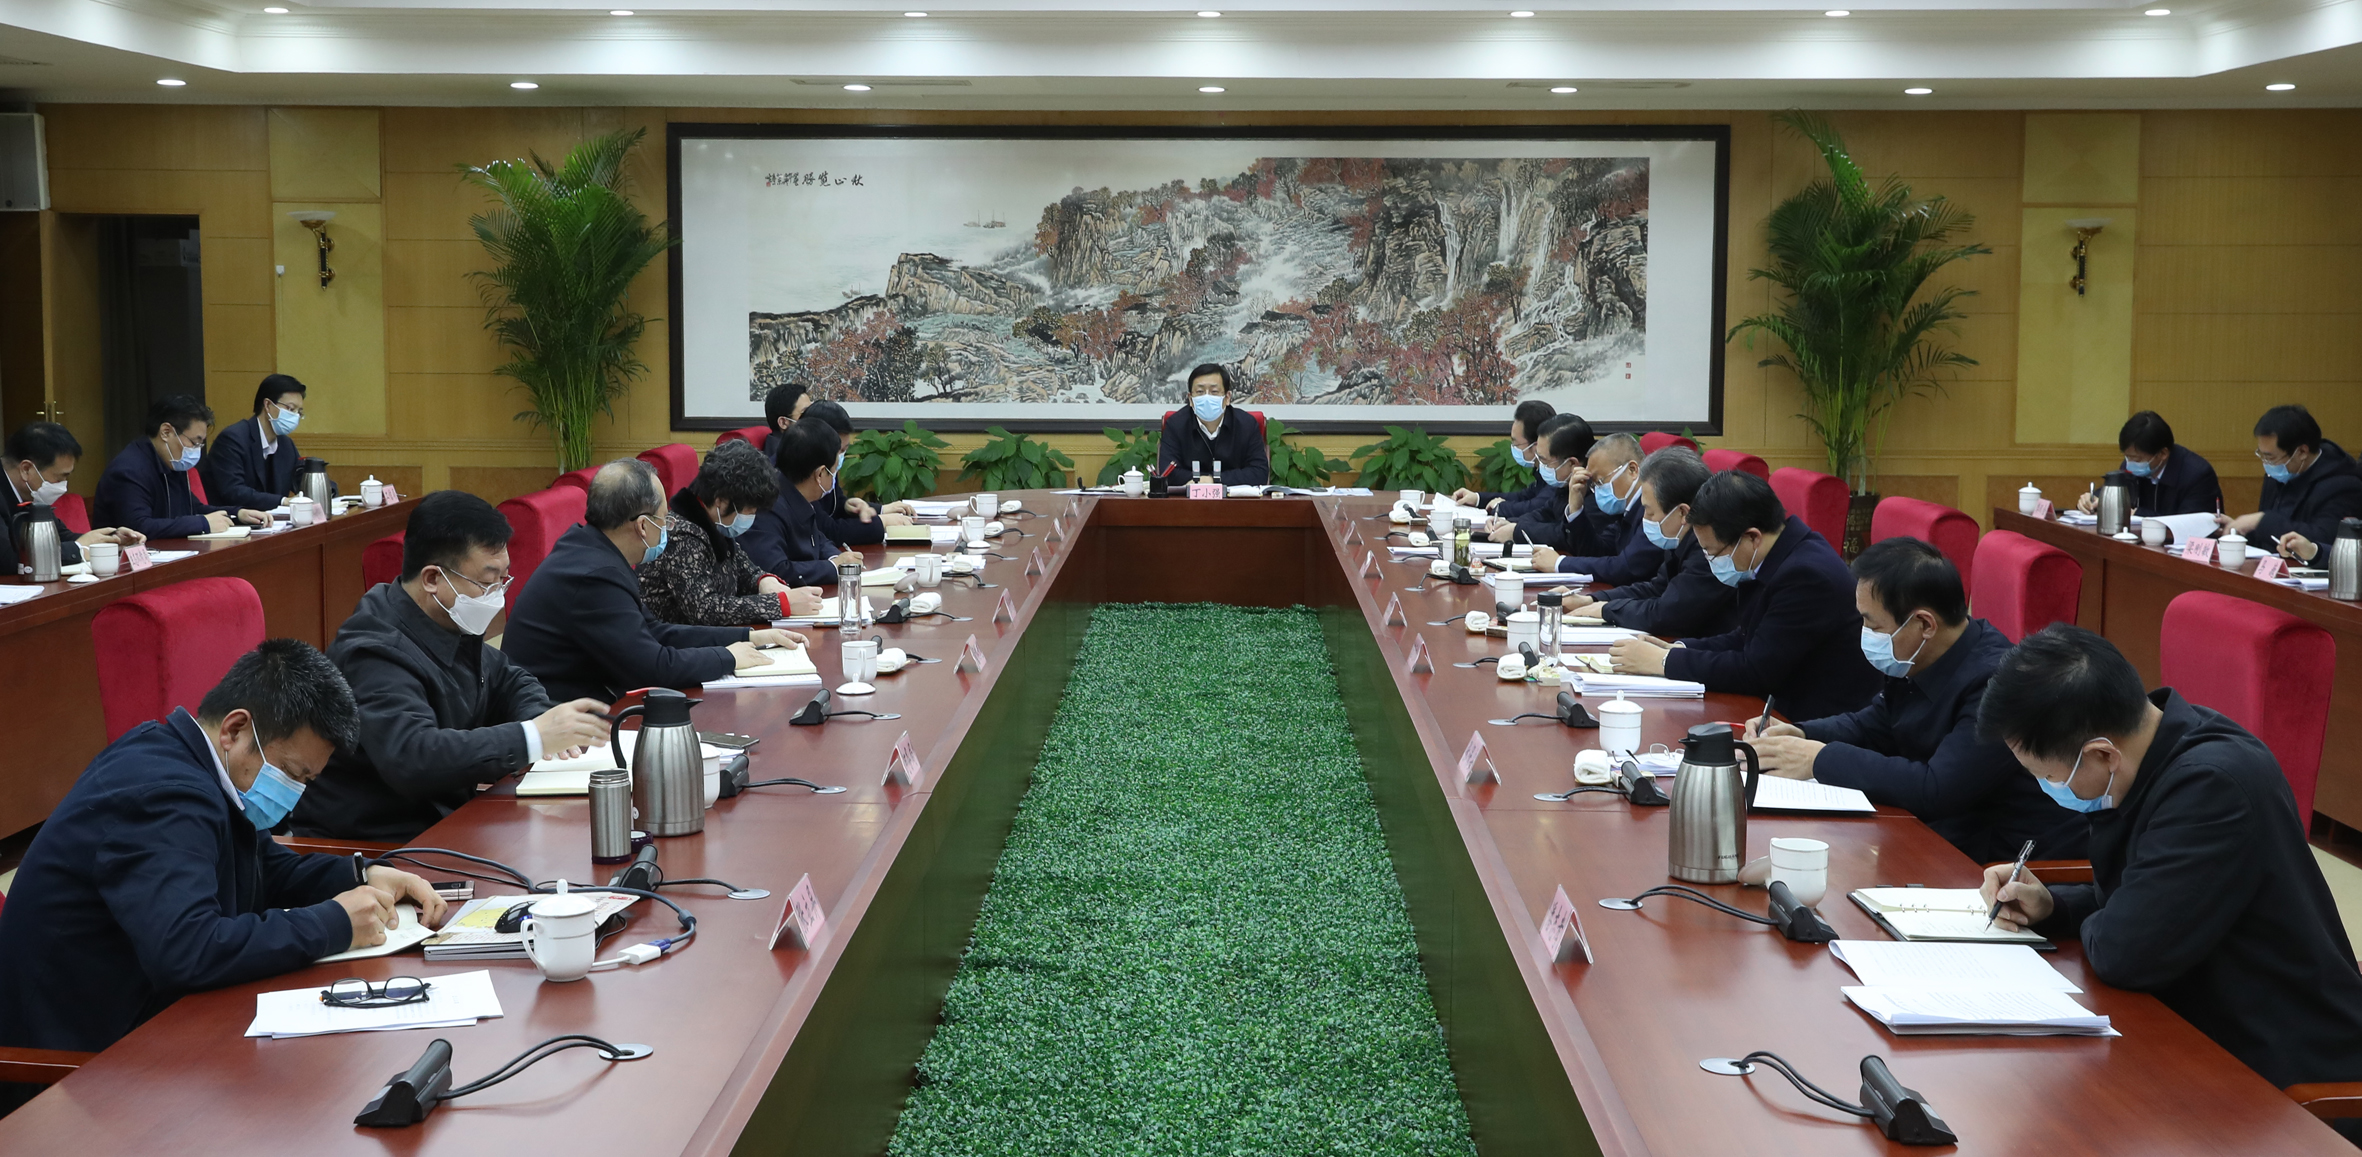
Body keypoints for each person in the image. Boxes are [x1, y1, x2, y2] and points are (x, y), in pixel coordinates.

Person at [0, 640, 447, 1077]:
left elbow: (262, 869)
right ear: (234, 730)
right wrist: (333, 924)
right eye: (290, 773)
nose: (294, 796)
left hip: (144, 1019)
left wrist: (362, 875)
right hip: (68, 1064)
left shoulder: (195, 764)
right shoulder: (163, 795)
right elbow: (187, 949)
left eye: (306, 781)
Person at [1978, 625, 2362, 1117]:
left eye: (2047, 776)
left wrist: (2115, 918)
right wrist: (2054, 907)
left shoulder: (2212, 787)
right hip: (2203, 1038)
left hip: (2286, 1080)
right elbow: (2141, 898)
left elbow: (2125, 952)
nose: (2047, 788)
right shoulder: (2156, 751)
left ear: (2102, 754)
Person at [289, 491, 614, 842]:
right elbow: (415, 756)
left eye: (503, 579)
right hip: (371, 843)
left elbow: (509, 679)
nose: (497, 595)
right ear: (432, 578)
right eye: (486, 582)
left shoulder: (447, 618)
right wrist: (532, 737)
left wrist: (541, 719)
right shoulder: (372, 650)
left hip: (445, 820)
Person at [1744, 538, 2085, 863]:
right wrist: (1800, 734)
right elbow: (1874, 724)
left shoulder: (1997, 682)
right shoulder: (1915, 655)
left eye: (1872, 624)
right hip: (1935, 840)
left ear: (1924, 624)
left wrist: (1819, 758)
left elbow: (1937, 788)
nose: (1864, 633)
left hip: (1998, 864)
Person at [504, 459, 806, 704]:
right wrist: (727, 657)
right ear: (643, 526)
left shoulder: (593, 551)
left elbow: (655, 631)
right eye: (664, 520)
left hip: (588, 698)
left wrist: (747, 637)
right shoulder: (593, 575)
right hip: (557, 718)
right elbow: (652, 667)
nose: (668, 527)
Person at [1609, 469, 1879, 722]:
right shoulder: (1777, 555)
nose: (1710, 561)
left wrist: (1662, 662)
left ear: (1752, 537)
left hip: (1815, 721)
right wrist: (1678, 649)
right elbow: (1746, 636)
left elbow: (1755, 670)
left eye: (1712, 552)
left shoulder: (1806, 576)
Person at [639, 440, 823, 627]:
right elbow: (706, 610)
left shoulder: (716, 522)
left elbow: (744, 569)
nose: (752, 516)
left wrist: (764, 581)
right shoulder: (681, 535)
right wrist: (781, 604)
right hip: (671, 640)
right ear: (721, 501)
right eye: (749, 510)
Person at [1557, 447, 1736, 639]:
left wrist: (1606, 610)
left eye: (1650, 512)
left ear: (1682, 512)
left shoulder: (1711, 548)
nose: (1645, 520)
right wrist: (1591, 599)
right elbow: (1656, 588)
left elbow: (1667, 614)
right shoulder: (1679, 536)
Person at [93, 395, 270, 539]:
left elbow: (194, 509)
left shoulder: (171, 463)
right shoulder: (129, 470)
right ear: (166, 432)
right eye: (194, 442)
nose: (196, 450)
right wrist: (203, 523)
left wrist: (238, 514)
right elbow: (139, 527)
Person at [0, 421, 145, 567]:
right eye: (59, 478)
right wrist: (78, 548)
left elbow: (61, 536)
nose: (64, 486)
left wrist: (111, 540)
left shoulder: (32, 494)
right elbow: (6, 558)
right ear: (26, 469)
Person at [741, 419, 866, 586]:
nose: (835, 476)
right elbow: (776, 570)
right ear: (820, 474)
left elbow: (819, 540)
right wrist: (833, 567)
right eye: (834, 470)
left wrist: (838, 558)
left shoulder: (797, 493)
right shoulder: (767, 505)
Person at [1529, 432, 1663, 586]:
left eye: (1600, 481)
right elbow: (1599, 551)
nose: (1597, 490)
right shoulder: (1627, 508)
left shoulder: (1654, 510)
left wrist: (1560, 563)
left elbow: (1625, 568)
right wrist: (1576, 508)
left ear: (1632, 470)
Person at [2235, 405, 2362, 564]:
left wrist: (2262, 521)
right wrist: (2241, 530)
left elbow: (2325, 541)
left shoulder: (2344, 485)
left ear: (2302, 452)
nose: (2266, 463)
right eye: (2262, 455)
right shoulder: (2278, 472)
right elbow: (2267, 538)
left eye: (2271, 457)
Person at [799, 400, 915, 546]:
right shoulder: (800, 473)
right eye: (839, 450)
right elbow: (827, 531)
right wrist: (882, 522)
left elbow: (834, 503)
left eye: (844, 450)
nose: (840, 457)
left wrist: (854, 507)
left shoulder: (826, 463)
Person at [2072, 410, 2220, 519]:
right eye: (2127, 457)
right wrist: (2094, 500)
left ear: (2162, 453)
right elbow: (2115, 492)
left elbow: (2192, 525)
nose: (2130, 464)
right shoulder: (2131, 465)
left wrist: (2138, 515)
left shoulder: (2197, 475)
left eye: (2136, 459)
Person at [200, 374, 314, 512]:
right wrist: (282, 501)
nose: (295, 416)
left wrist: (326, 489)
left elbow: (301, 478)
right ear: (267, 405)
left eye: (299, 412)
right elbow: (234, 491)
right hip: (233, 520)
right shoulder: (233, 439)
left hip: (272, 521)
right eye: (290, 409)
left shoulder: (286, 444)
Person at [1154, 363, 1270, 486]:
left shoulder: (1246, 424)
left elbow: (1259, 473)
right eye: (1200, 391)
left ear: (1227, 398)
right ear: (1190, 399)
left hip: (1234, 498)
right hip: (1189, 498)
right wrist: (1203, 481)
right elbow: (1168, 473)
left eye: (1214, 391)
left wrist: (1213, 480)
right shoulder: (1176, 424)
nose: (1207, 398)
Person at [1498, 414, 1599, 548]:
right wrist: (1511, 523)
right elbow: (1544, 514)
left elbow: (1564, 535)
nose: (1540, 466)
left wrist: (1516, 531)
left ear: (1572, 463)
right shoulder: (1564, 484)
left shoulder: (1597, 492)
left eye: (1544, 461)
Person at [1450, 399, 1558, 518]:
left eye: (1516, 443)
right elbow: (1523, 497)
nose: (1513, 448)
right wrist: (1477, 498)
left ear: (1536, 446)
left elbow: (1537, 508)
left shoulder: (1556, 473)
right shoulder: (1541, 469)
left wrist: (1501, 508)